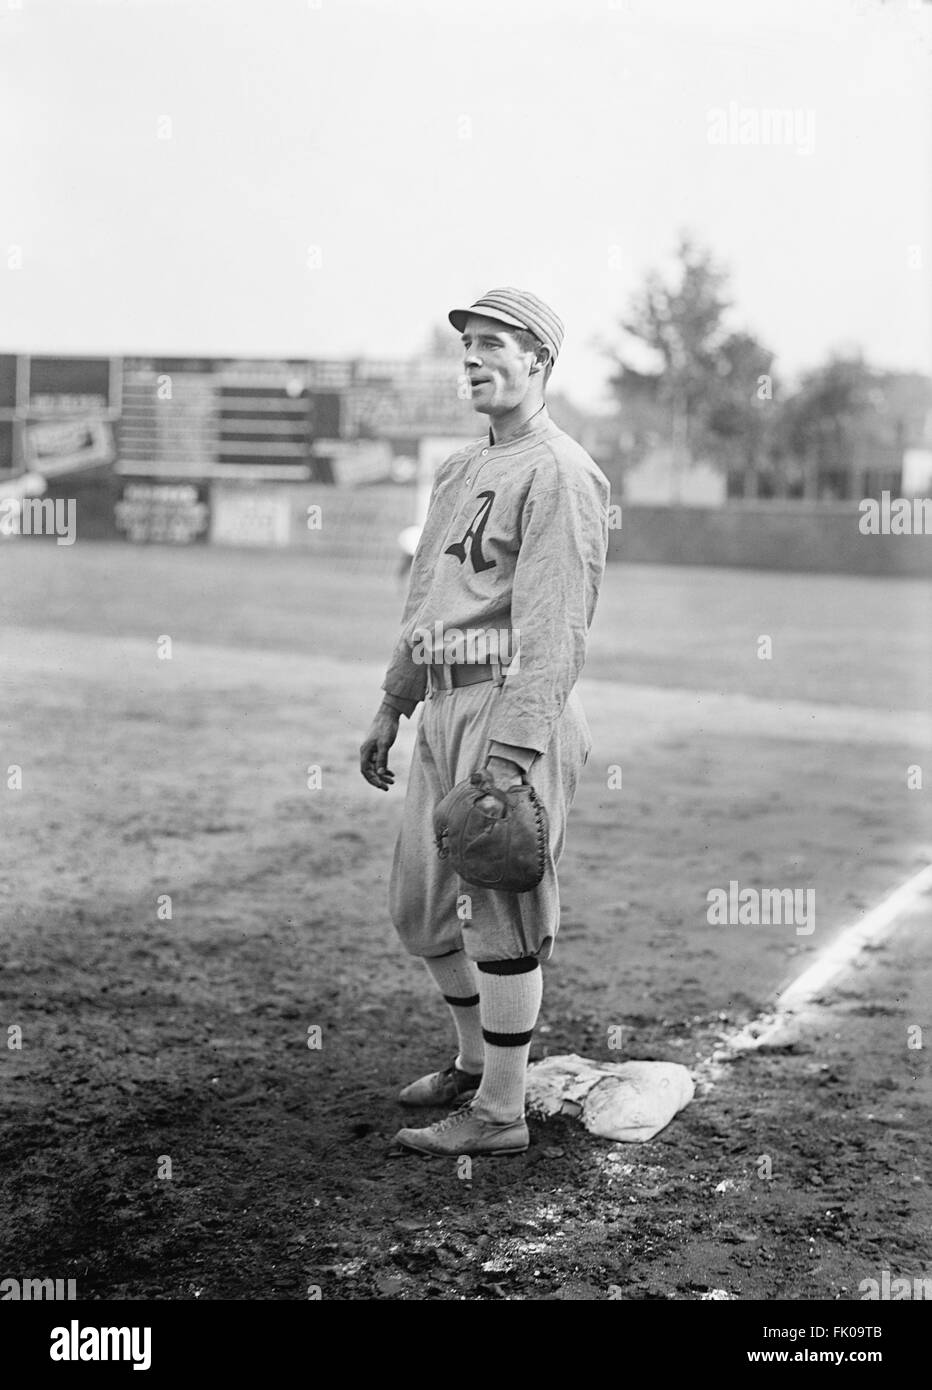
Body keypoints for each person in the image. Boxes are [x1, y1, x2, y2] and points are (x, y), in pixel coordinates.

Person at [360, 288, 610, 1156]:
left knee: (502, 914)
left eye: (492, 343)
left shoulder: (563, 473)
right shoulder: (459, 470)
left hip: (510, 707)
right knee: (419, 908)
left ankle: (501, 1114)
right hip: (439, 702)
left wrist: (510, 759)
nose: (471, 357)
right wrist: (394, 701)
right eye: (465, 344)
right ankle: (474, 1063)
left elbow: (556, 631)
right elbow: (426, 595)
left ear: (538, 359)